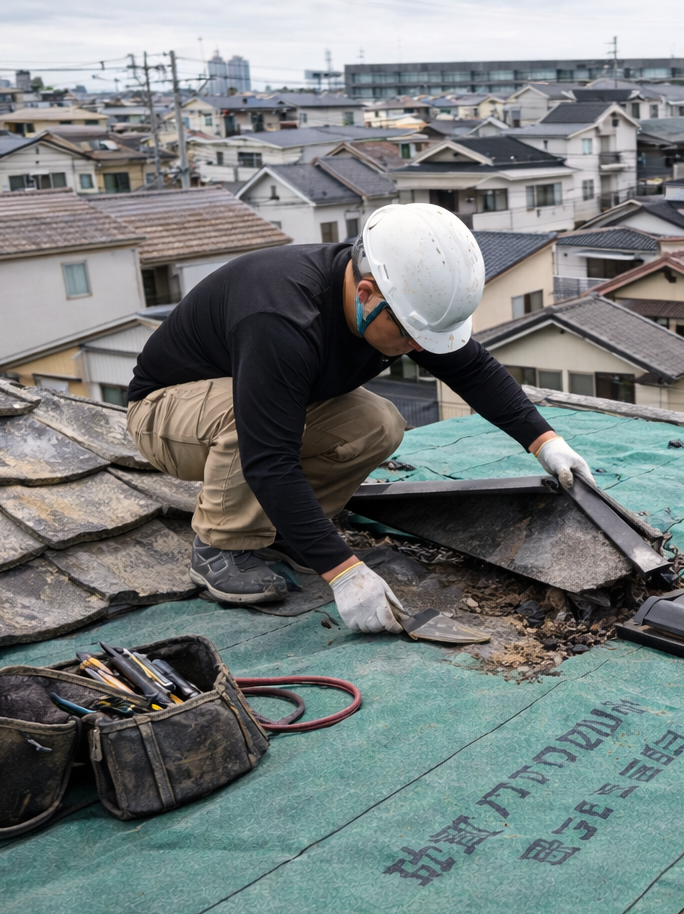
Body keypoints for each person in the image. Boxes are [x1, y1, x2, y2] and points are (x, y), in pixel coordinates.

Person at [125, 203, 596, 633]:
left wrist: (544, 442)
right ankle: (220, 547)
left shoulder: (392, 300)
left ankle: (285, 531)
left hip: (260, 397)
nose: (419, 348)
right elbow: (269, 457)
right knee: (253, 423)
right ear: (367, 292)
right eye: (411, 335)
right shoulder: (282, 316)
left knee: (380, 421)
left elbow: (471, 368)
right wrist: (344, 573)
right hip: (165, 415)